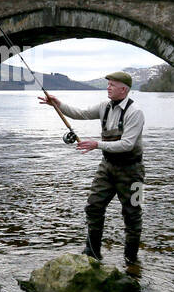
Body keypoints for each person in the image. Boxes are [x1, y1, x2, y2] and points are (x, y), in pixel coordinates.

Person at [39, 71, 145, 269]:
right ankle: (92, 252)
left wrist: (96, 144)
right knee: (93, 206)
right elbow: (80, 113)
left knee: (133, 214)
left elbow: (128, 144)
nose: (108, 87)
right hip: (107, 167)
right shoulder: (104, 106)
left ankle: (131, 260)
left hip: (133, 171)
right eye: (108, 84)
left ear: (124, 89)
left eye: (112, 84)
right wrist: (57, 104)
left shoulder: (135, 112)